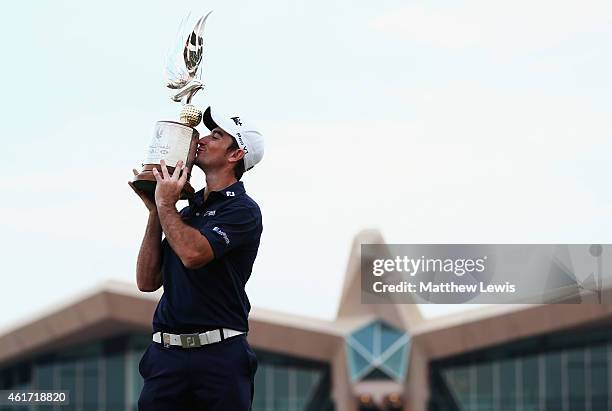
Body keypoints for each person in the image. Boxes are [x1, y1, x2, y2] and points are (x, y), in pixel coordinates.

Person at [128, 106, 264, 410]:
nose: (202, 139)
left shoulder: (243, 210)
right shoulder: (184, 211)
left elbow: (193, 254)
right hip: (166, 356)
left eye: (216, 135)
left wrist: (166, 207)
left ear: (235, 155)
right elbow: (147, 281)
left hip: (220, 356)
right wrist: (155, 212)